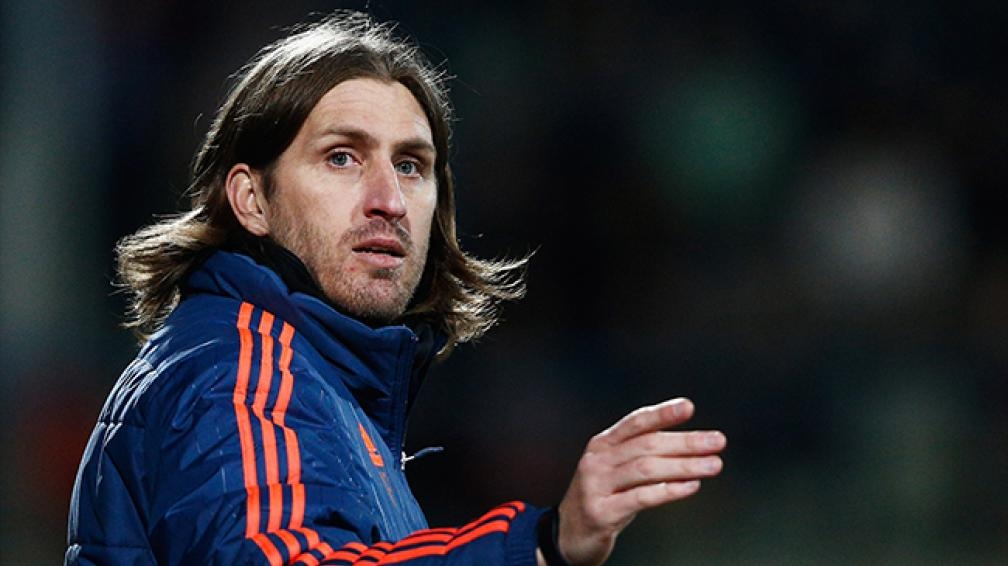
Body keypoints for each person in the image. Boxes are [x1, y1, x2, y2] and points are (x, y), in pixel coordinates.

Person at [67, 12, 727, 566]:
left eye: (411, 165)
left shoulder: (312, 382)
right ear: (252, 200)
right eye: (342, 157)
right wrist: (542, 544)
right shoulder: (239, 373)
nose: (388, 199)